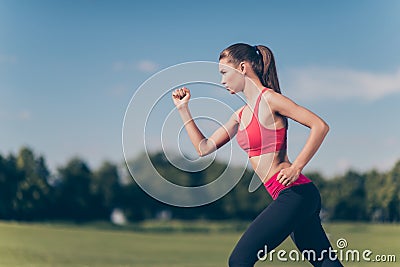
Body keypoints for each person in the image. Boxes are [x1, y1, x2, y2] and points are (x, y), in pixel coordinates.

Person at [171, 43, 343, 267]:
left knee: (239, 260)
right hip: (296, 196)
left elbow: (319, 126)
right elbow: (204, 147)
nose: (222, 80)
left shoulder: (270, 99)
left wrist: (296, 167)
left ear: (242, 68)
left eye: (224, 72)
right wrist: (183, 109)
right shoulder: (240, 115)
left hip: (294, 193)